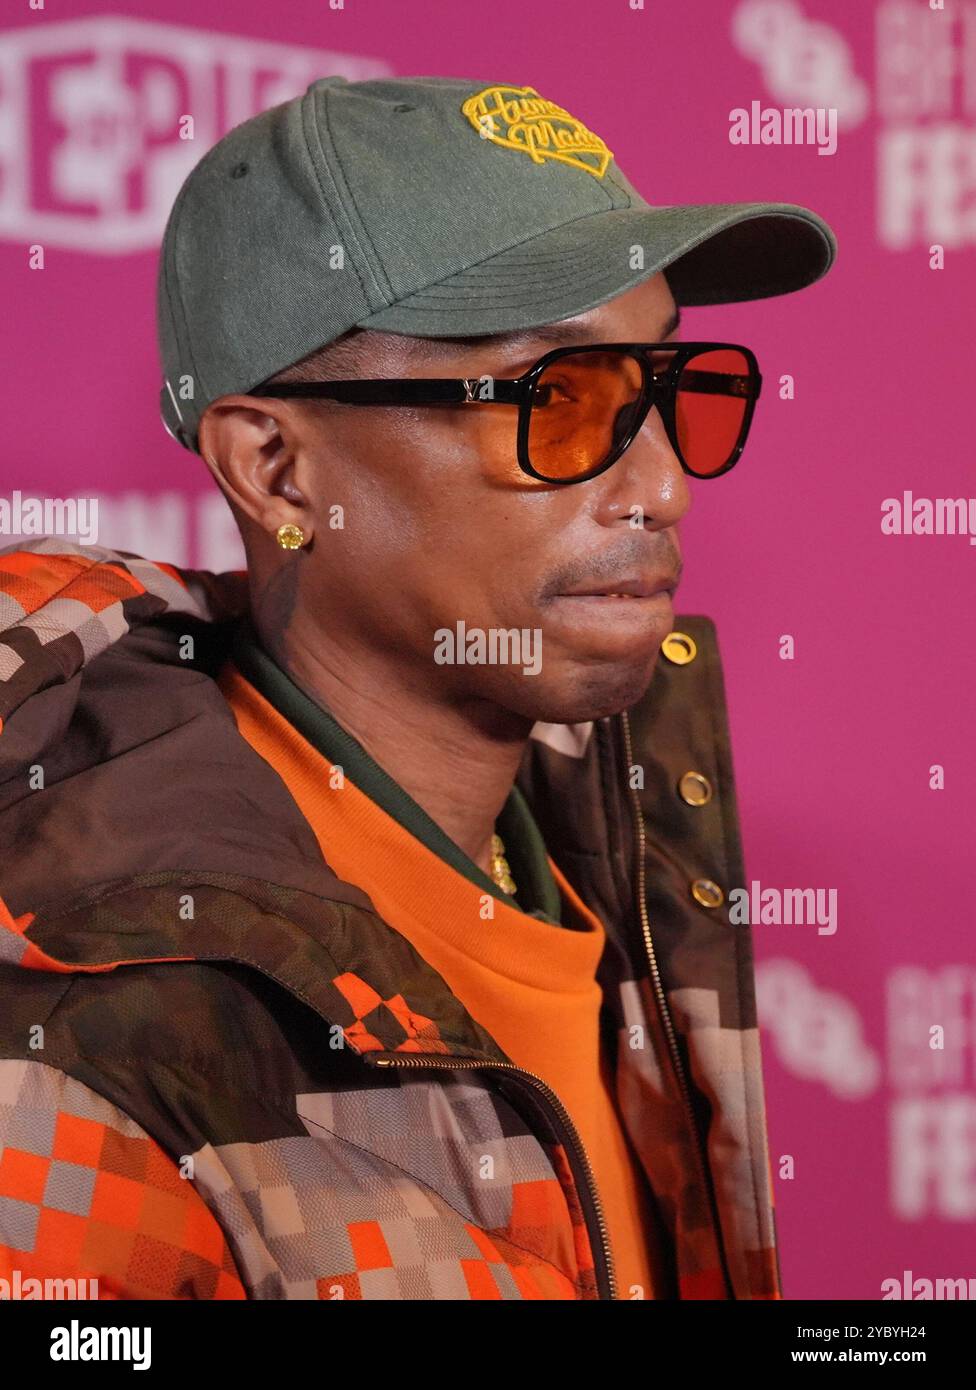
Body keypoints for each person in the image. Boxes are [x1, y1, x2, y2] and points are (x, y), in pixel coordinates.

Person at [0, 76, 835, 1301]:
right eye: (562, 398)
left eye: (658, 389)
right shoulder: (87, 1040)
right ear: (278, 470)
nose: (661, 488)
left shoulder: (623, 868)